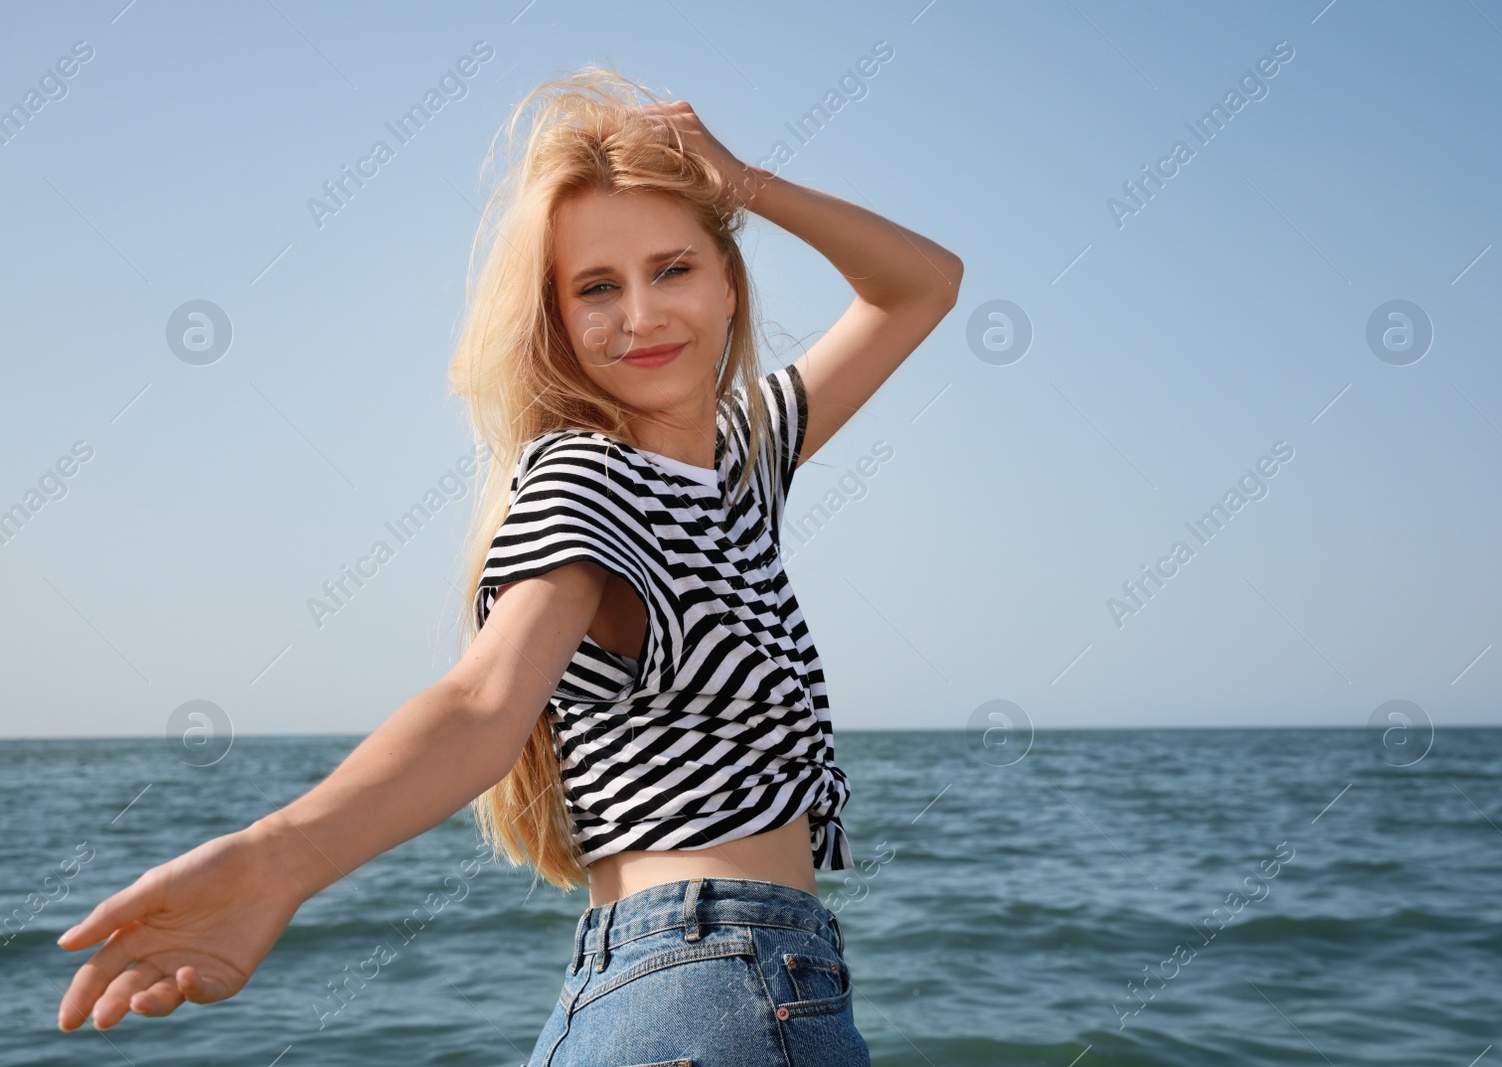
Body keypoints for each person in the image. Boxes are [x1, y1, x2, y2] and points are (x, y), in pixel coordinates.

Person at [53, 66, 961, 1065]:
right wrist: (280, 860)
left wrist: (744, 183)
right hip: (720, 985)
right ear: (557, 319)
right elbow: (485, 700)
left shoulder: (744, 456)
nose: (642, 315)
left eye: (673, 268)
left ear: (727, 281)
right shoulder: (589, 478)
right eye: (596, 288)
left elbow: (922, 283)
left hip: (686, 988)